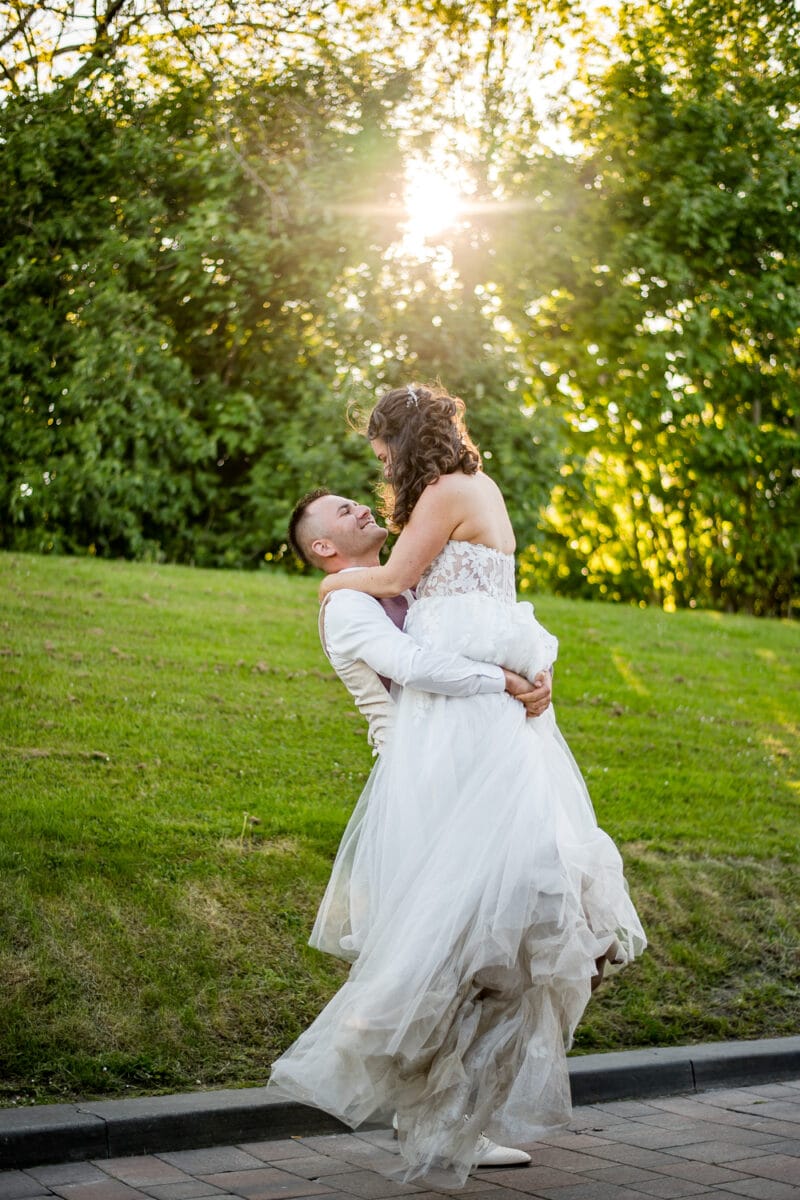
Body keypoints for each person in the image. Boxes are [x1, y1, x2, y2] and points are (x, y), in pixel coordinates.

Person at [271, 384, 647, 1184]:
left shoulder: (423, 529)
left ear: (405, 445)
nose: (372, 485)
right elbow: (416, 662)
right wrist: (507, 682)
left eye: (377, 462)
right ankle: (432, 1116)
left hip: (478, 746)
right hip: (434, 759)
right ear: (325, 547)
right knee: (454, 940)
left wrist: (528, 677)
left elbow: (479, 610)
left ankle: (458, 1117)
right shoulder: (363, 598)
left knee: (503, 931)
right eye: (344, 504)